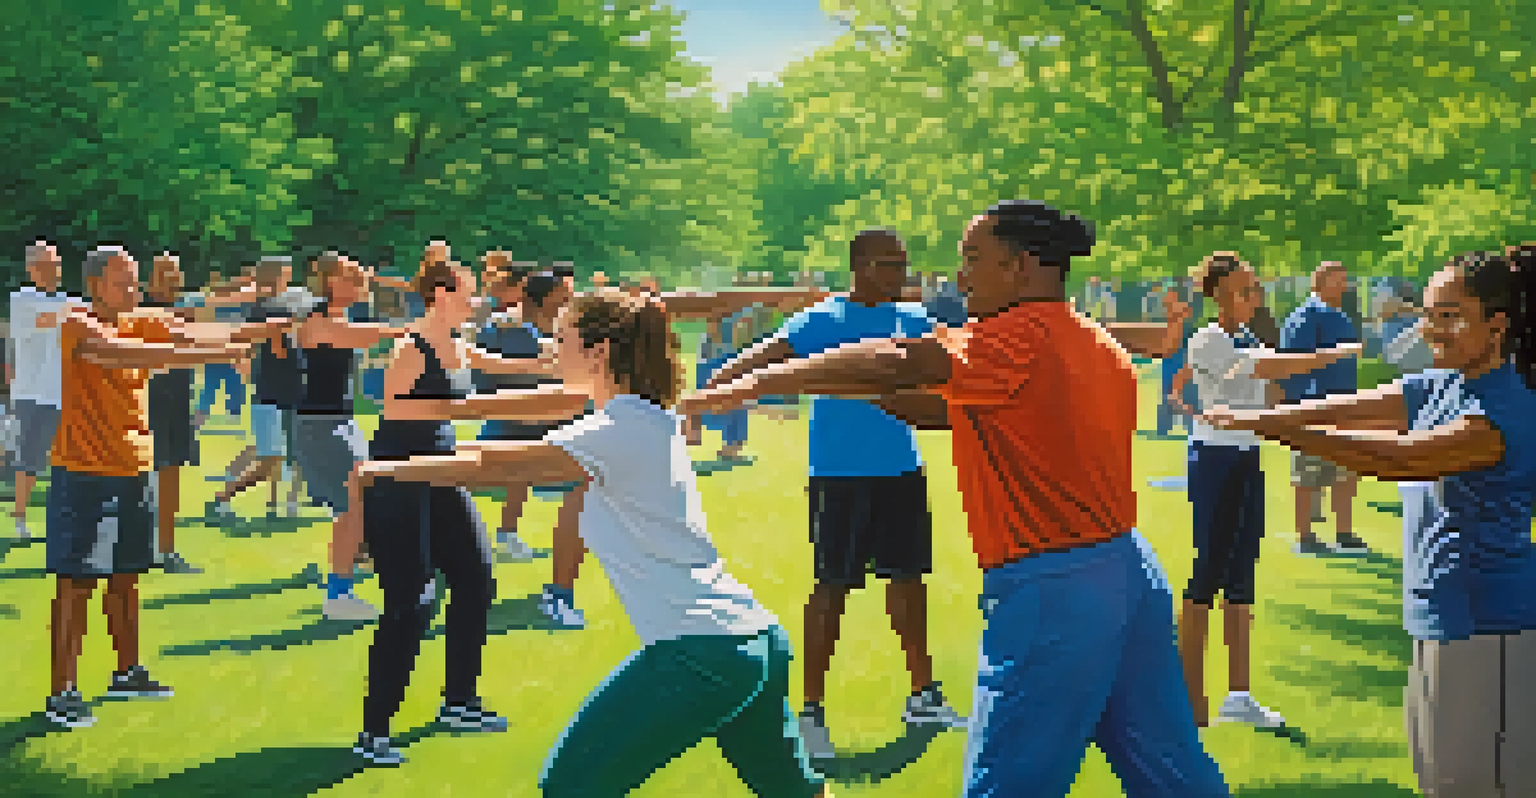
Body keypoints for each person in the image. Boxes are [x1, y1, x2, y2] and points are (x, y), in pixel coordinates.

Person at [682, 199, 1227, 796]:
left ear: (1020, 266)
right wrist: (843, 383)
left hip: (1053, 590)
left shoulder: (1014, 337)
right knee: (1173, 772)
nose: (959, 276)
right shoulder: (1086, 340)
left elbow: (899, 361)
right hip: (1127, 575)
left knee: (1006, 784)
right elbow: (932, 408)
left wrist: (757, 383)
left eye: (973, 258)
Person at [356, 288, 833, 797]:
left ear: (598, 351)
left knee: (570, 789)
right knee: (795, 793)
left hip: (701, 651)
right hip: (756, 639)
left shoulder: (616, 429)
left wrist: (384, 470)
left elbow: (495, 465)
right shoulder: (643, 415)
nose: (550, 349)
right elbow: (521, 431)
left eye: (560, 338)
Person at [1203, 245, 1536, 797]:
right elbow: (1350, 407)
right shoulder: (1444, 383)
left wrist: (1269, 428)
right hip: (1440, 615)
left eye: (1450, 315)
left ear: (1497, 324)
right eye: (1427, 313)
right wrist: (1259, 415)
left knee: (1478, 786)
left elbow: (1399, 459)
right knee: (1440, 780)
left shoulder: (1502, 410)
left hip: (1489, 623)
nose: (1431, 329)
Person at [703, 229, 962, 760]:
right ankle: (811, 712)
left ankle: (924, 696)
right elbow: (759, 359)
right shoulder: (821, 320)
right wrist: (713, 391)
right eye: (889, 265)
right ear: (861, 266)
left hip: (901, 472)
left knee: (908, 583)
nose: (901, 275)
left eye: (903, 265)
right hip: (839, 476)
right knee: (832, 589)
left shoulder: (914, 320)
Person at [350, 259, 592, 764]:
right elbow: (396, 410)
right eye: (468, 293)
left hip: (441, 472)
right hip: (399, 473)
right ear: (440, 295)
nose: (478, 300)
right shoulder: (411, 347)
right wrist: (479, 408)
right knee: (412, 600)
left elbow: (514, 368)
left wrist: (570, 365)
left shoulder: (457, 344)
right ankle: (374, 733)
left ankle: (458, 702)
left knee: (476, 578)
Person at [44, 245, 278, 729]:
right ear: (95, 285)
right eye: (122, 282)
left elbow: (200, 330)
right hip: (84, 471)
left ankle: (127, 672)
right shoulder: (77, 324)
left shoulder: (141, 319)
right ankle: (62, 691)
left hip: (134, 468)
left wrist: (275, 327)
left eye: (134, 281)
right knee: (76, 582)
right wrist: (220, 353)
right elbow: (124, 354)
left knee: (126, 576)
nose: (132, 289)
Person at [1180, 252, 1362, 730]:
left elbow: (1276, 393)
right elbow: (1270, 371)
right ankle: (1190, 699)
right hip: (1214, 460)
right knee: (1206, 573)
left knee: (1241, 575)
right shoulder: (1207, 340)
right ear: (1220, 293)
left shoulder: (1248, 339)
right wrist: (1330, 355)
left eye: (1254, 288)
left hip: (1246, 458)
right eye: (1246, 289)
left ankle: (1238, 696)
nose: (1254, 296)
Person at [289, 253, 410, 621]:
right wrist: (417, 330)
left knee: (361, 501)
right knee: (352, 506)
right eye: (352, 278)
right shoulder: (318, 319)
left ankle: (358, 565)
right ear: (330, 282)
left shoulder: (336, 317)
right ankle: (339, 594)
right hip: (320, 425)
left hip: (339, 421)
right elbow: (366, 335)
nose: (361, 285)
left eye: (362, 278)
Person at [205, 258, 314, 521]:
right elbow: (274, 347)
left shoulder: (269, 306)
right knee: (271, 459)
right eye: (285, 275)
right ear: (276, 276)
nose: (288, 280)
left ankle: (279, 504)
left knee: (283, 454)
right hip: (272, 392)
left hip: (282, 390)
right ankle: (222, 497)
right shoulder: (270, 309)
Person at [1280, 260, 1367, 555]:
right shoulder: (1305, 317)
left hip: (1344, 404)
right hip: (1314, 406)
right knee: (1307, 474)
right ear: (1319, 283)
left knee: (1346, 471)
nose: (1344, 285)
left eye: (1345, 279)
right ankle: (1305, 536)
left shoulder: (1340, 316)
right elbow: (1294, 362)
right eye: (1337, 280)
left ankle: (1344, 533)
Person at [8, 240, 82, 540]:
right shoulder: (21, 299)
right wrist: (79, 311)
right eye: (45, 265)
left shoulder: (69, 301)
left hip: (64, 391)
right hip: (31, 393)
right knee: (29, 460)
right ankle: (20, 517)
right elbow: (46, 319)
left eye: (55, 264)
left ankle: (67, 518)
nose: (52, 270)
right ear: (31, 269)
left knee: (69, 459)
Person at [142, 253, 203, 573]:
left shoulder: (186, 313)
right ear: (150, 279)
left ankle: (166, 550)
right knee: (137, 479)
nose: (172, 280)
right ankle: (135, 548)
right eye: (165, 274)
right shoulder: (138, 310)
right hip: (144, 404)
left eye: (176, 274)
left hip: (177, 403)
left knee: (171, 475)